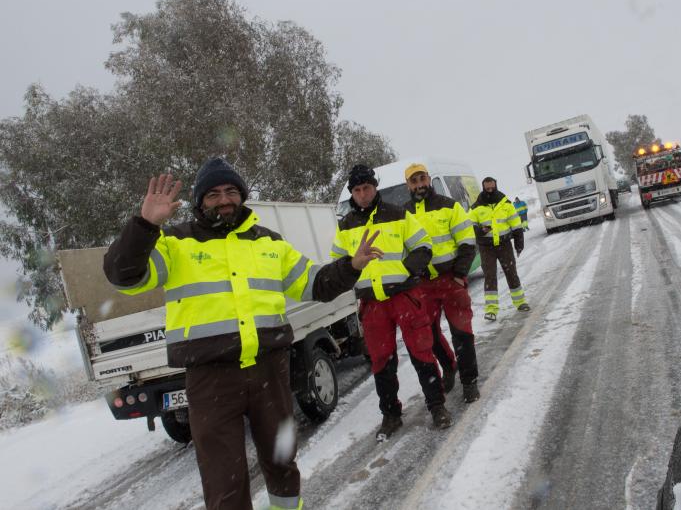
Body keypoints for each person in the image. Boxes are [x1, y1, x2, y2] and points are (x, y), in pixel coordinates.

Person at [103, 158, 381, 510]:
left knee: (282, 461)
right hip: (210, 378)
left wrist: (351, 266)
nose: (224, 200)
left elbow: (315, 284)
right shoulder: (175, 243)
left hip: (270, 370)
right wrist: (144, 225)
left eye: (231, 191)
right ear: (200, 200)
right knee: (224, 480)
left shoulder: (269, 243)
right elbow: (122, 275)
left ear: (242, 196)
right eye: (214, 193)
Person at [331, 164, 452, 441]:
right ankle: (391, 415)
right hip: (373, 305)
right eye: (357, 190)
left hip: (404, 297)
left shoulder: (399, 215)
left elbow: (424, 247)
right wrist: (349, 270)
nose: (363, 194)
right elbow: (338, 264)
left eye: (367, 188)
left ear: (375, 188)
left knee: (422, 352)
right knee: (381, 361)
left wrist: (407, 271)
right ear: (352, 193)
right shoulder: (345, 226)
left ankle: (437, 407)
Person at [403, 163, 480, 403]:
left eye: (422, 179)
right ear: (408, 185)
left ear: (429, 179)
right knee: (430, 335)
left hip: (451, 281)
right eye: (414, 181)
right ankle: (449, 366)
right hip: (423, 285)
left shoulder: (450, 206)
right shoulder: (403, 214)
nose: (419, 185)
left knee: (462, 333)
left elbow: (467, 241)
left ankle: (470, 382)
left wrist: (459, 274)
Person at [469, 177, 530, 321]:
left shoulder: (506, 204)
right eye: (487, 188)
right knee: (489, 276)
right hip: (486, 247)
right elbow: (468, 227)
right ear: (483, 188)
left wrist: (519, 244)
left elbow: (516, 225)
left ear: (496, 186)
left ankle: (520, 302)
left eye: (492, 188)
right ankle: (491, 310)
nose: (490, 191)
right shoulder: (476, 207)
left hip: (504, 246)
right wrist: (481, 230)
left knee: (511, 273)